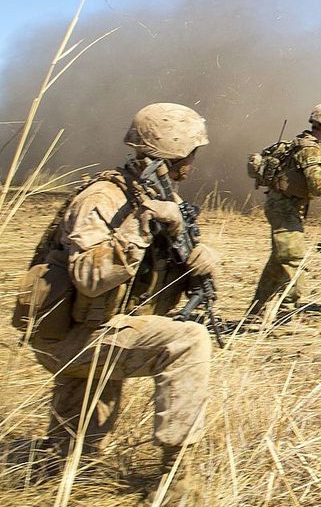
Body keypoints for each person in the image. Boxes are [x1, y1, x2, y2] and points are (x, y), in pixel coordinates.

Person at [24, 103, 219, 502]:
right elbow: (90, 277)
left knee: (72, 460)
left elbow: (154, 277)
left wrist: (199, 257)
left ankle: (57, 466)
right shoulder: (104, 198)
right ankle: (176, 481)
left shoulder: (154, 195)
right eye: (191, 153)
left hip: (99, 331)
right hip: (75, 338)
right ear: (174, 152)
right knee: (188, 341)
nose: (194, 161)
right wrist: (143, 227)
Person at [246, 103, 321, 318]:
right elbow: (318, 187)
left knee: (278, 262)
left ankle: (256, 311)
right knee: (295, 259)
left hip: (281, 206)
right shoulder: (311, 149)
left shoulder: (298, 143)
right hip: (286, 209)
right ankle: (285, 313)